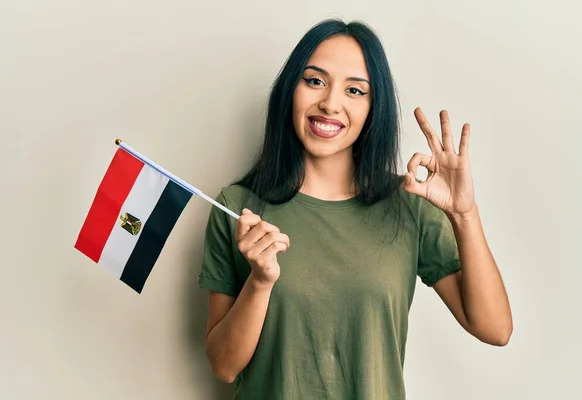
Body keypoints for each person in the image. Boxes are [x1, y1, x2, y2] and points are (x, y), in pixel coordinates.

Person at [198, 18, 512, 400]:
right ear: (290, 91)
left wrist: (464, 215)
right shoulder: (238, 209)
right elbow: (224, 367)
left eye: (355, 90)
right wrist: (260, 283)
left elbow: (495, 330)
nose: (330, 103)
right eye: (314, 81)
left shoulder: (409, 205)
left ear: (372, 108)